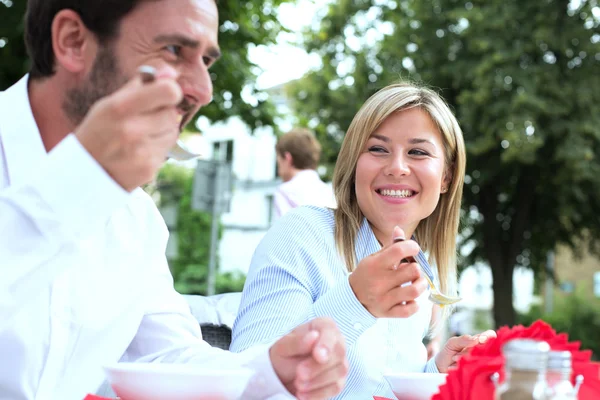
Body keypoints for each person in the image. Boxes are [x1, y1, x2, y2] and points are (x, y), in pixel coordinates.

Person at [0, 1, 348, 399]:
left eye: (206, 60)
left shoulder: (137, 217)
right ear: (73, 41)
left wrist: (272, 371)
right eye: (173, 51)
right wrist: (83, 181)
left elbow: (164, 357)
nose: (203, 90)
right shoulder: (102, 190)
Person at [230, 83, 497, 399]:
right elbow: (245, 386)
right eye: (378, 149)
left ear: (446, 178)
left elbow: (380, 385)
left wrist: (437, 372)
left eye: (418, 152)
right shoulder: (302, 235)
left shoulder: (424, 271)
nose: (397, 167)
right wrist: (356, 301)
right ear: (354, 163)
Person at [273, 128, 336, 218]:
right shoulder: (331, 193)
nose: (279, 171)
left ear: (288, 158)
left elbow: (285, 231)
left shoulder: (285, 192)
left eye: (278, 161)